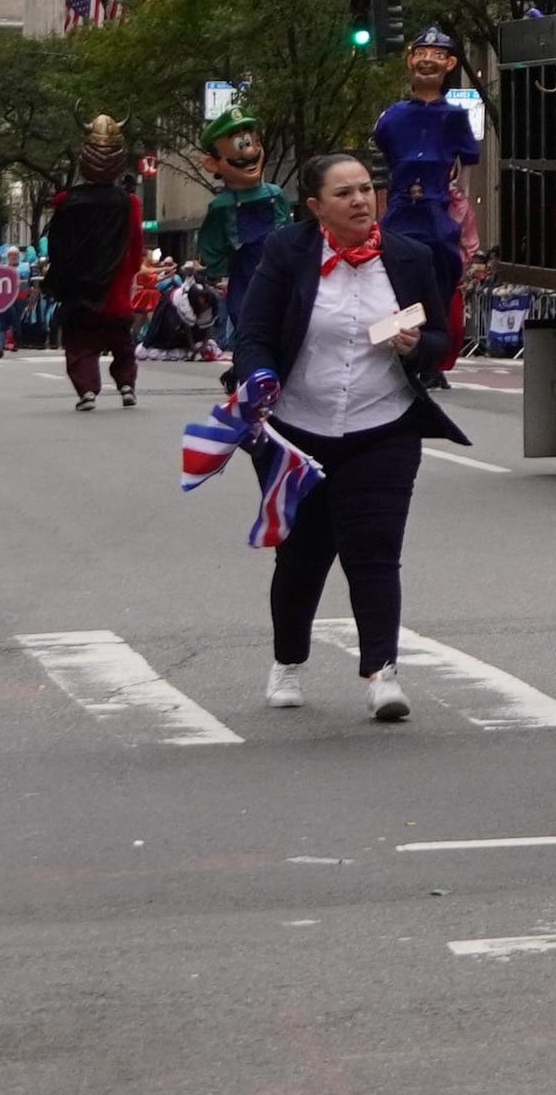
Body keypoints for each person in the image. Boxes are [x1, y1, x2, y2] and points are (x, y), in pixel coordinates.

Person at [223, 153, 472, 720]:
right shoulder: (287, 253)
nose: (361, 201)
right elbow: (255, 334)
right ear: (315, 208)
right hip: (297, 430)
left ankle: (382, 673)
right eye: (344, 194)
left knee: (376, 551)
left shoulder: (409, 257)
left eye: (366, 189)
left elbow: (441, 339)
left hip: (382, 427)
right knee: (302, 557)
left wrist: (417, 345)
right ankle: (288, 661)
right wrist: (257, 376)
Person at [372, 30, 483, 269]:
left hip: (437, 214)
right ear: (411, 61)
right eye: (421, 53)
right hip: (399, 212)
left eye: (438, 55)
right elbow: (381, 165)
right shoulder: (392, 116)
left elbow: (467, 167)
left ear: (450, 63)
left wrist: (460, 200)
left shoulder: (455, 116)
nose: (428, 60)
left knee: (440, 275)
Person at [187, 116, 286, 294]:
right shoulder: (222, 206)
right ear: (212, 163)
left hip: (281, 276)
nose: (249, 152)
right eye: (240, 145)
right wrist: (222, 275)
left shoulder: (276, 194)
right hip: (245, 281)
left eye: (250, 143)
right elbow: (212, 246)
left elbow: (288, 232)